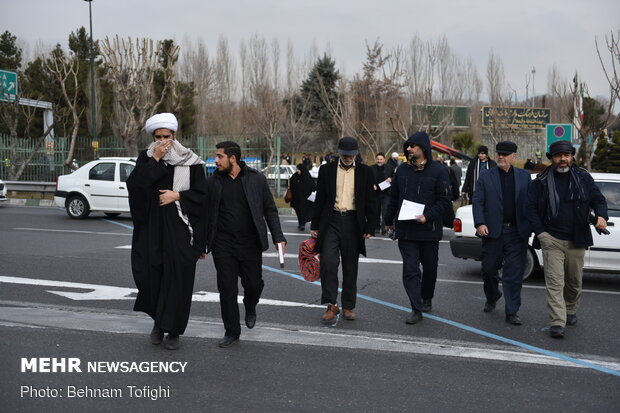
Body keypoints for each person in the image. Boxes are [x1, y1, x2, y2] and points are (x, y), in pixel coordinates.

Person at [126, 113, 207, 350]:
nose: (163, 141)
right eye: (158, 137)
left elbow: (203, 197)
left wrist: (178, 195)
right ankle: (158, 323)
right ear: (153, 137)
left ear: (175, 135)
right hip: (151, 230)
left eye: (167, 137)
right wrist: (155, 161)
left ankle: (173, 330)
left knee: (178, 280)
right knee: (150, 277)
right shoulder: (146, 158)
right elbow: (135, 187)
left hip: (181, 231)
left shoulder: (190, 161)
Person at [204, 141, 286, 348]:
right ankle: (232, 331)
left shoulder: (256, 179)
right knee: (227, 288)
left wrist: (278, 236)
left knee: (253, 284)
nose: (216, 160)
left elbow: (270, 209)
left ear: (233, 158)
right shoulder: (213, 182)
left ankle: (250, 305)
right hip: (223, 244)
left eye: (219, 156)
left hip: (250, 243)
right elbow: (201, 213)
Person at [527, 140, 608, 338]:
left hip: (577, 238)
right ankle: (557, 321)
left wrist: (601, 216)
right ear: (552, 159)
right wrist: (541, 234)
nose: (563, 159)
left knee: (573, 282)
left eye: (566, 155)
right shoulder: (541, 181)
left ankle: (570, 309)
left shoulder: (583, 178)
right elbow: (529, 209)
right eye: (558, 156)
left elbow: (598, 199)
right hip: (551, 239)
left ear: (572, 157)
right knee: (555, 282)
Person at [384, 132, 452, 322]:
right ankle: (416, 307)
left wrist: (428, 216)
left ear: (423, 148)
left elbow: (445, 200)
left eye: (412, 146)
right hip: (406, 231)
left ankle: (426, 297)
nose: (408, 149)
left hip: (429, 230)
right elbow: (393, 197)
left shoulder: (438, 171)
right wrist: (388, 221)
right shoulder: (402, 171)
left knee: (430, 268)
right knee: (411, 269)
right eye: (407, 146)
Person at [310, 137, 376, 323]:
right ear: (339, 153)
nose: (348, 158)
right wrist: (315, 225)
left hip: (353, 223)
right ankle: (331, 305)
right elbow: (320, 198)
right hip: (331, 221)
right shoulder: (327, 170)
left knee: (350, 266)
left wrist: (370, 225)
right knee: (328, 263)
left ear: (356, 154)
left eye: (351, 155)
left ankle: (348, 306)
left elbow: (371, 200)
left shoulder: (365, 171)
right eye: (345, 155)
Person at [472, 141, 532, 325]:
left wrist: (531, 227)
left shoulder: (524, 177)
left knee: (513, 273)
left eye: (505, 154)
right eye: (499, 153)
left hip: (516, 232)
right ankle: (492, 296)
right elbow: (478, 201)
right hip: (492, 231)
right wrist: (480, 223)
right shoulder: (485, 176)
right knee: (489, 270)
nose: (501, 157)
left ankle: (512, 310)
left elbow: (531, 204)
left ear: (514, 156)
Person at [371, 152, 395, 234]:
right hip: (375, 193)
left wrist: (391, 179)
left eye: (381, 159)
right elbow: (367, 179)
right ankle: (376, 227)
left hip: (386, 193)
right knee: (376, 211)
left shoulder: (390, 168)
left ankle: (384, 228)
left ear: (384, 159)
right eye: (378, 159)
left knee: (385, 211)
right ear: (375, 159)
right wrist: (372, 184)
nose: (379, 161)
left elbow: (395, 177)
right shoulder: (371, 168)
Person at [289, 163, 315, 230]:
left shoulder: (308, 178)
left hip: (306, 200)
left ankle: (302, 224)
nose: (297, 171)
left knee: (303, 211)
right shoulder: (295, 177)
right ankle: (300, 223)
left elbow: (314, 187)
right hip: (296, 199)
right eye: (297, 169)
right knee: (298, 211)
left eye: (298, 169)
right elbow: (291, 184)